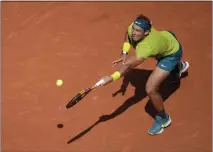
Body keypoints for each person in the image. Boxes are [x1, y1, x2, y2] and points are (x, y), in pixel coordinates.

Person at [98, 14, 189, 135]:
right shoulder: (134, 28)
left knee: (150, 89)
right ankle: (177, 68)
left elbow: (128, 66)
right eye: (134, 29)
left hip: (171, 54)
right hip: (167, 38)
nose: (134, 32)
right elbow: (128, 34)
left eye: (138, 31)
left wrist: (111, 77)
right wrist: (124, 52)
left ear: (146, 32)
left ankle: (164, 118)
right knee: (159, 52)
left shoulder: (147, 48)